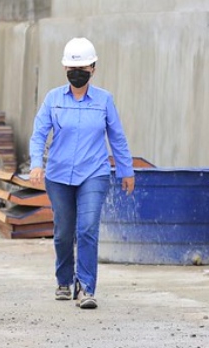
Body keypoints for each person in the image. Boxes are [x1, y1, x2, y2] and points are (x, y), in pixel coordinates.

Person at [28, 37, 135, 310]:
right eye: (72, 69)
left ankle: (86, 287)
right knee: (64, 232)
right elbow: (39, 133)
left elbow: (117, 137)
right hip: (58, 175)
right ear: (65, 69)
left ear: (93, 69)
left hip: (94, 173)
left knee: (87, 229)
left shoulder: (104, 100)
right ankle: (64, 280)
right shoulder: (53, 99)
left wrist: (126, 170)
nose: (77, 74)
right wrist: (36, 164)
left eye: (83, 69)